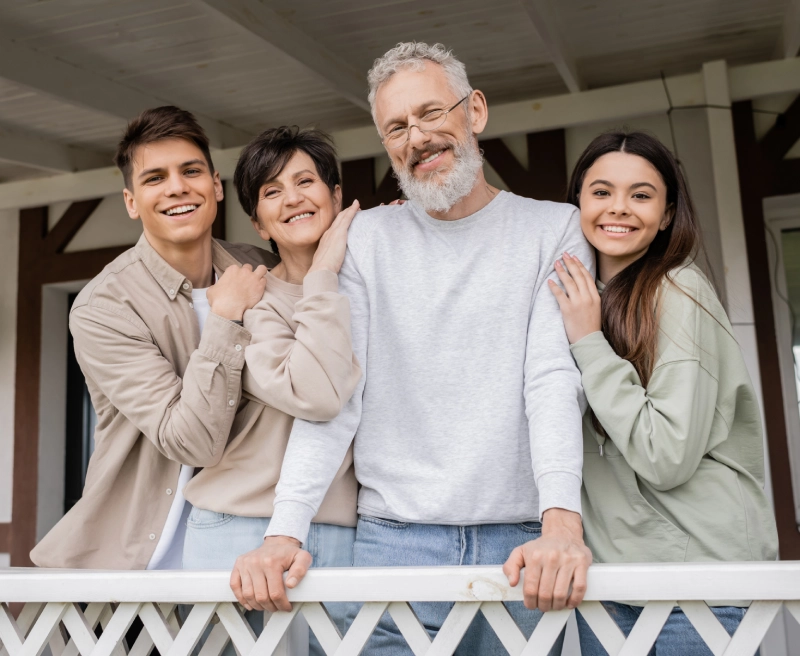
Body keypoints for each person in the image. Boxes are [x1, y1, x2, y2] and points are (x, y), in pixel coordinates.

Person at [231, 42, 593, 654]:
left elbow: (553, 378)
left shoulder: (554, 227)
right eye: (396, 126)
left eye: (431, 113)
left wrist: (561, 520)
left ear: (474, 111)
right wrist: (283, 531)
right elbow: (343, 396)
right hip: (393, 539)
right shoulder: (368, 238)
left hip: (524, 538)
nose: (417, 136)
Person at [548, 130, 779, 654]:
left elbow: (666, 454)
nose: (619, 209)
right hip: (609, 579)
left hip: (697, 577)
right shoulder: (573, 298)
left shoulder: (678, 289)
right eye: (602, 192)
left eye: (642, 195)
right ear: (577, 203)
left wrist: (588, 341)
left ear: (668, 213)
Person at [30, 106, 277, 569]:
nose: (177, 187)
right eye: (155, 178)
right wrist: (225, 317)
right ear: (131, 201)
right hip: (144, 566)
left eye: (190, 171)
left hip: (251, 551)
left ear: (216, 185)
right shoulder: (105, 307)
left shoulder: (261, 268)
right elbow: (192, 442)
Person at [182, 127, 362, 650]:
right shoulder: (250, 302)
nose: (293, 199)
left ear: (334, 195)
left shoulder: (368, 292)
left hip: (342, 529)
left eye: (306, 181)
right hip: (239, 528)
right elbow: (316, 394)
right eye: (272, 192)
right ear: (258, 220)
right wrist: (324, 271)